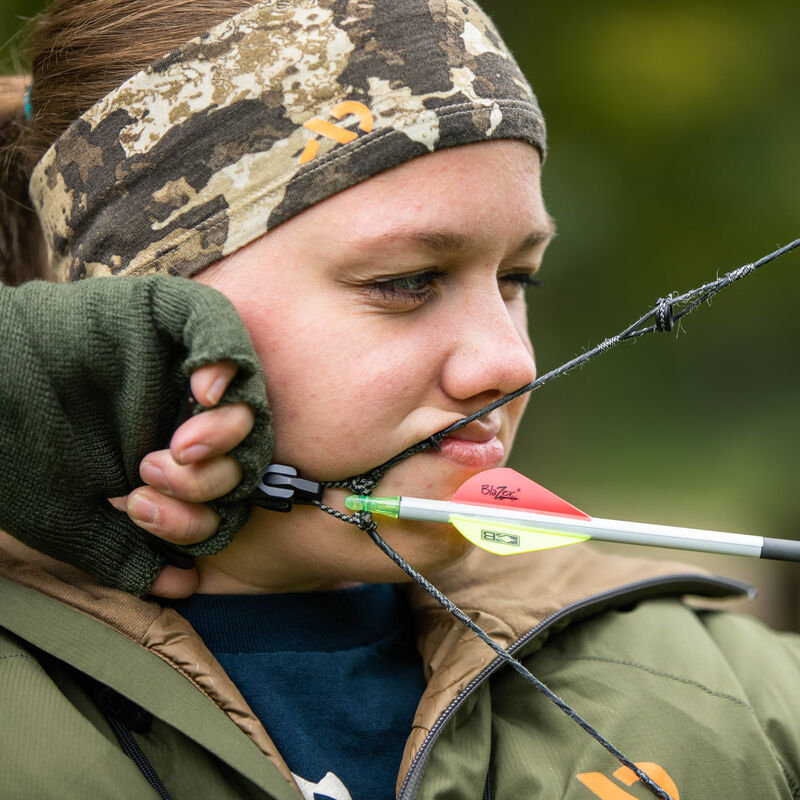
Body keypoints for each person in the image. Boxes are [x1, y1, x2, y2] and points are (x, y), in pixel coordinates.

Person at [2, 2, 800, 799]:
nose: (508, 362)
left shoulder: (738, 697)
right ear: (126, 312)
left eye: (518, 280)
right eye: (405, 282)